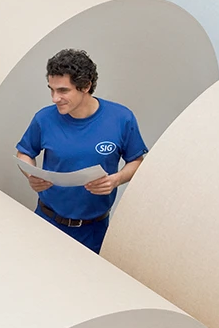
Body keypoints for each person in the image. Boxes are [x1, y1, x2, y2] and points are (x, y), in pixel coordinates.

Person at [15, 49, 147, 254]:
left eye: (62, 91)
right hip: (46, 220)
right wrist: (31, 174)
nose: (54, 98)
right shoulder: (43, 119)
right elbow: (24, 153)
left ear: (85, 86)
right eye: (51, 89)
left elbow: (137, 161)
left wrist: (116, 180)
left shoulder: (122, 118)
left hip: (94, 230)